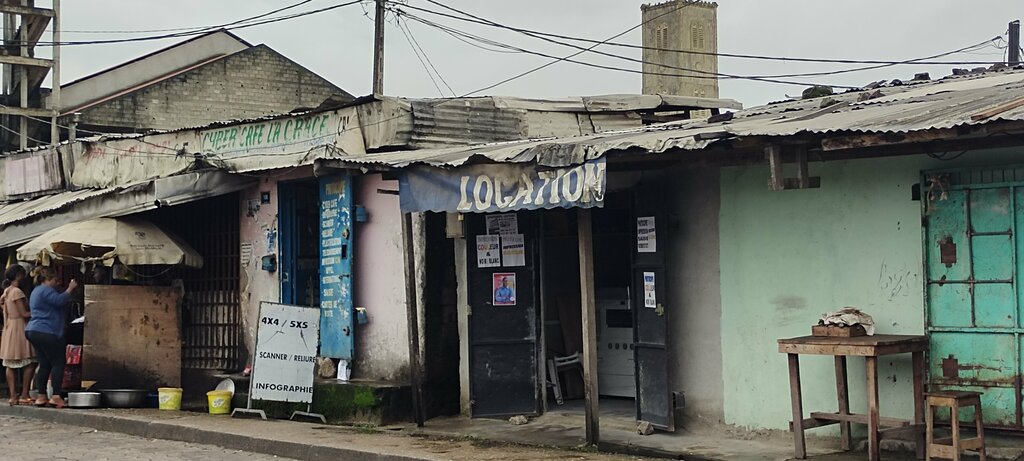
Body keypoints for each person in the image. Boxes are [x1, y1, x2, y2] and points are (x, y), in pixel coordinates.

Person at [25, 267, 77, 408]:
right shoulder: (46, 290)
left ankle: (41, 396)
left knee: (44, 364)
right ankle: (56, 396)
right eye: (55, 280)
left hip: (33, 330)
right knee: (58, 363)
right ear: (48, 279)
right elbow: (59, 301)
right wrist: (69, 289)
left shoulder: (36, 291)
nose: (56, 283)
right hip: (47, 331)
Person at [0, 265, 36, 405]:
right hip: (20, 327)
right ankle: (24, 393)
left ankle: (13, 395)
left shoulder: (7, 291)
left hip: (9, 327)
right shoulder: (17, 292)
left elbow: (2, 304)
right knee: (29, 360)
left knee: (10, 363)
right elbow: (24, 314)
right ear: (19, 276)